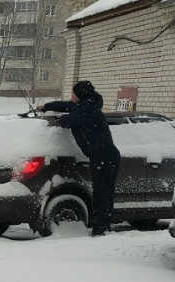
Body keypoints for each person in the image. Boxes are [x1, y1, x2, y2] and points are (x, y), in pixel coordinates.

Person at [36, 80, 121, 237]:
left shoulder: (86, 109)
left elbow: (67, 122)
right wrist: (47, 106)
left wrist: (57, 120)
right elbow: (66, 106)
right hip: (106, 155)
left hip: (103, 155)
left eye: (73, 93)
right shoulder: (87, 104)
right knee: (106, 193)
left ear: (80, 94)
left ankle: (100, 229)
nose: (71, 96)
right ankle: (104, 226)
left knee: (102, 194)